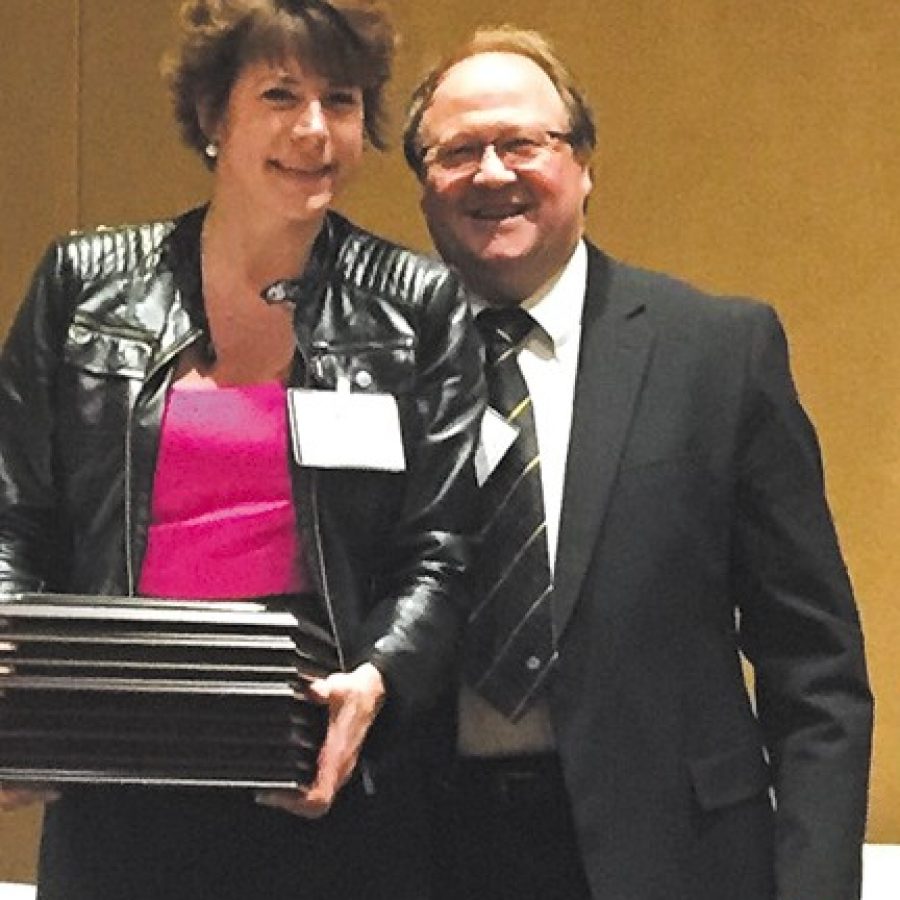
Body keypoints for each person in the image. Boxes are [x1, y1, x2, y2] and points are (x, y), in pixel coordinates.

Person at [0, 1, 484, 898]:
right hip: (118, 754)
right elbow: (13, 514)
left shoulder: (418, 307)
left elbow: (442, 549)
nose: (315, 130)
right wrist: (19, 685)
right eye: (279, 94)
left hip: (324, 763)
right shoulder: (84, 285)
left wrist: (374, 679)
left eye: (340, 100)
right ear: (212, 116)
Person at [403, 26, 873, 900]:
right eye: (458, 150)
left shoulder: (716, 352)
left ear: (584, 164)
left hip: (675, 856)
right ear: (425, 188)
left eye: (523, 143)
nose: (493, 172)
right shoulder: (379, 362)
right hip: (428, 848)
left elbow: (815, 671)